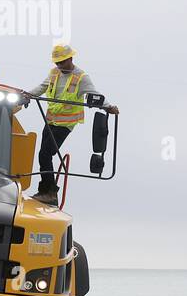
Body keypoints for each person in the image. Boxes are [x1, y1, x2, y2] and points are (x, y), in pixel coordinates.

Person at [24, 44, 119, 205]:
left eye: (62, 62)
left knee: (45, 154)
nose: (59, 66)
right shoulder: (54, 73)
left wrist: (108, 107)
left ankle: (49, 192)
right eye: (57, 63)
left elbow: (95, 95)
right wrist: (27, 95)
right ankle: (45, 191)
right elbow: (42, 87)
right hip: (50, 120)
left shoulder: (81, 77)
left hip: (66, 123)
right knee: (43, 154)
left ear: (70, 59)